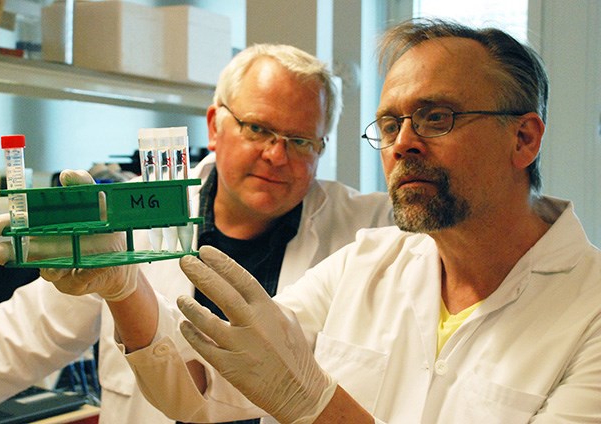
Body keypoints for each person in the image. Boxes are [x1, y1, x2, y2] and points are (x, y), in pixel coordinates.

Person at [49, 19, 600, 423]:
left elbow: (292, 390)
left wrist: (311, 402)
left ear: (523, 137)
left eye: (437, 117)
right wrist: (126, 290)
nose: (403, 143)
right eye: (389, 124)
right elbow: (199, 391)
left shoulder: (590, 315)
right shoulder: (365, 263)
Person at [0, 44, 394, 423]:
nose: (277, 155)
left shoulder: (363, 228)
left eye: (301, 140)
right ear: (215, 125)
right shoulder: (135, 218)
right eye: (258, 129)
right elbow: (10, 343)